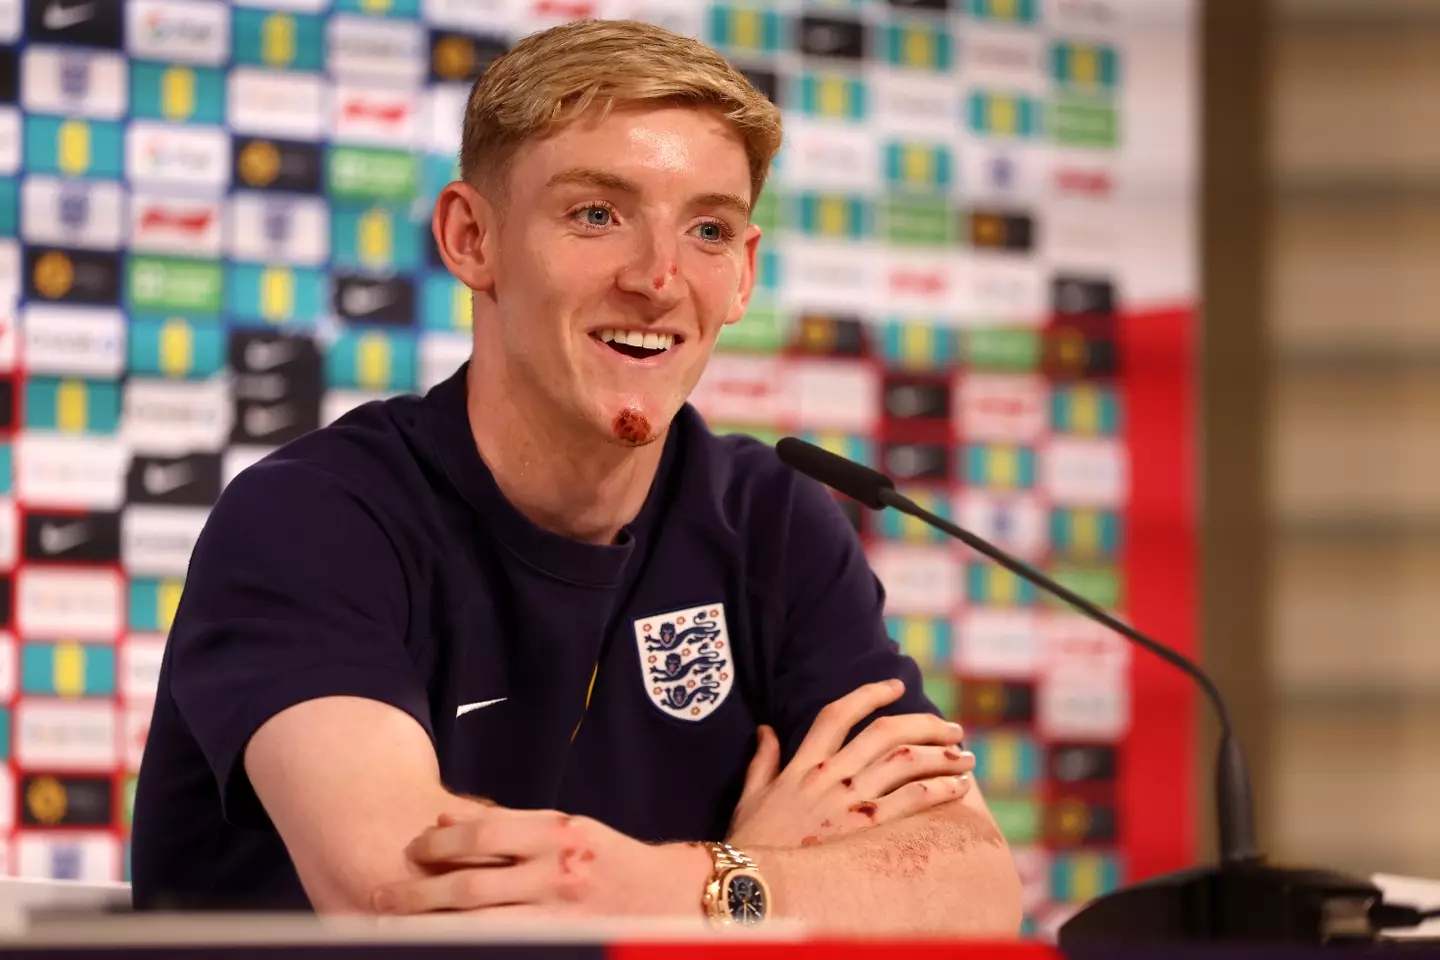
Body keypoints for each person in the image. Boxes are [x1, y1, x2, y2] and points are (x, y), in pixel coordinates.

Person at [130, 18, 1023, 935]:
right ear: (473, 238)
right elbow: (402, 891)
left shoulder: (773, 521)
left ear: (745, 273)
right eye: (597, 214)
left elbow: (972, 887)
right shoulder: (313, 518)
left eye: (708, 229)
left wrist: (708, 885)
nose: (659, 278)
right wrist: (773, 877)